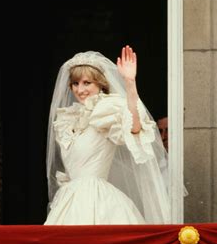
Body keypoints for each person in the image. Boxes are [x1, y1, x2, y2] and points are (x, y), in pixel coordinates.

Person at [44, 46, 171, 225]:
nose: (80, 90)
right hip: (69, 202)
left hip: (99, 201)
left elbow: (134, 127)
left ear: (101, 85)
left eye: (87, 83)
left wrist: (129, 82)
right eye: (75, 83)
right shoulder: (68, 119)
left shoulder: (107, 109)